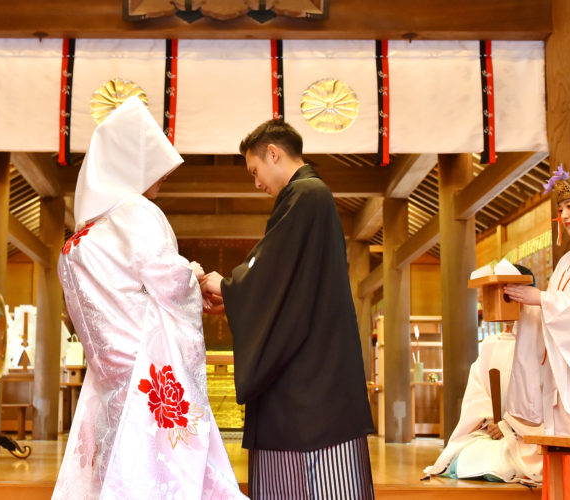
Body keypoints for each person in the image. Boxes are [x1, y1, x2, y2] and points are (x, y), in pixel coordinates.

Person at [53, 96, 246, 499]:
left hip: (108, 378)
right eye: (156, 168)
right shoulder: (134, 211)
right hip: (146, 371)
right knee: (161, 477)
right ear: (130, 162)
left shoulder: (78, 239)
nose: (163, 177)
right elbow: (169, 281)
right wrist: (194, 276)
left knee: (114, 471)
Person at [201, 119, 375, 499]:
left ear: (274, 154)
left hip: (310, 376)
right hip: (319, 364)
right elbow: (280, 274)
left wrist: (227, 288)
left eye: (255, 171)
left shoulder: (307, 195)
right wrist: (233, 295)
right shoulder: (309, 196)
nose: (257, 182)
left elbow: (271, 273)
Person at [424, 265, 543, 484]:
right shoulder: (491, 345)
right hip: (493, 433)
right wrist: (492, 421)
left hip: (531, 438)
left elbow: (548, 396)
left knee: (499, 464)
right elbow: (478, 395)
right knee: (463, 459)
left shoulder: (544, 341)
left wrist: (510, 425)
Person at [505, 166, 570, 436]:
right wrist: (528, 305)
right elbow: (555, 307)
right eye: (560, 210)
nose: (563, 216)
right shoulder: (565, 261)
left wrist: (542, 299)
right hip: (560, 370)